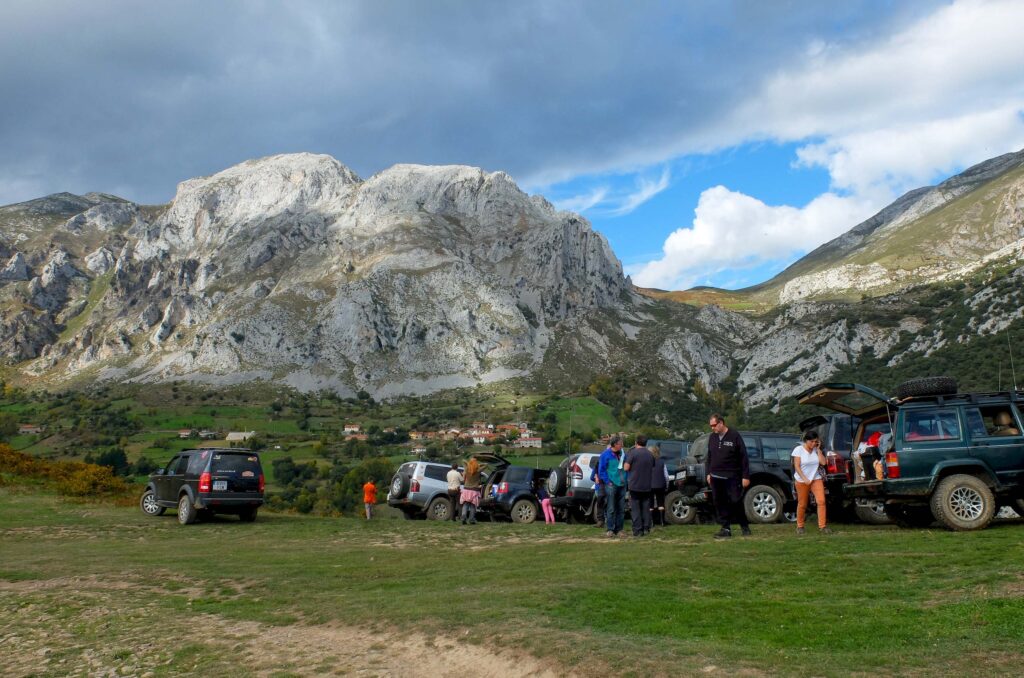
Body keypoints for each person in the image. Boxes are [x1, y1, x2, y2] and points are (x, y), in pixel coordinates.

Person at [705, 413, 751, 539]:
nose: (712, 428)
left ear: (721, 423)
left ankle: (744, 526)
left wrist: (745, 476)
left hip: (732, 476)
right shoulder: (712, 437)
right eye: (711, 426)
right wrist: (708, 473)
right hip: (715, 476)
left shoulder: (734, 435)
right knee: (719, 502)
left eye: (714, 425)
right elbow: (709, 457)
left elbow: (743, 457)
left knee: (736, 501)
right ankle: (725, 528)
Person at [792, 430, 831, 535]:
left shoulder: (815, 450)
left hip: (815, 478)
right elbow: (797, 466)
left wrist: (818, 450)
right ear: (806, 441)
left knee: (821, 501)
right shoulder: (798, 450)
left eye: (816, 442)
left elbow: (823, 462)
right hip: (802, 480)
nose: (814, 444)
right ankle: (800, 526)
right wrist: (804, 478)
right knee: (802, 504)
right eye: (812, 442)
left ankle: (822, 526)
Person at [623, 434, 655, 536]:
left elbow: (626, 468)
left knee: (635, 508)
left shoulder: (633, 453)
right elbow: (653, 466)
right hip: (647, 485)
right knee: (646, 507)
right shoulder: (650, 455)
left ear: (636, 442)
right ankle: (646, 528)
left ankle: (637, 530)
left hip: (635, 485)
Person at [597, 436, 627, 537]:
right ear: (614, 444)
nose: (622, 445)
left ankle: (619, 530)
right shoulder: (605, 455)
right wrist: (608, 482)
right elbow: (601, 470)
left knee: (621, 508)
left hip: (622, 484)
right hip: (611, 484)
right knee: (611, 508)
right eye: (620, 443)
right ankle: (610, 529)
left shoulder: (623, 454)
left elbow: (626, 467)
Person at [649, 444, 669, 526]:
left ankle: (652, 522)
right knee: (661, 502)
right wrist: (667, 485)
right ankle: (662, 522)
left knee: (650, 503)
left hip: (650, 485)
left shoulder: (647, 462)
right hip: (661, 484)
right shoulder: (662, 462)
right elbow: (666, 476)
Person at [460, 457, 482, 525]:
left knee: (465, 504)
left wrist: (468, 463)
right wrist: (478, 465)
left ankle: (463, 516)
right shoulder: (478, 470)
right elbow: (486, 465)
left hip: (466, 489)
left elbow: (463, 460)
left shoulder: (466, 469)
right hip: (474, 490)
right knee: (473, 506)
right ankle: (471, 519)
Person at [590, 459, 605, 528]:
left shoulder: (598, 465)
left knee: (599, 504)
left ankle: (600, 521)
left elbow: (591, 477)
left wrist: (596, 479)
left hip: (598, 487)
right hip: (607, 487)